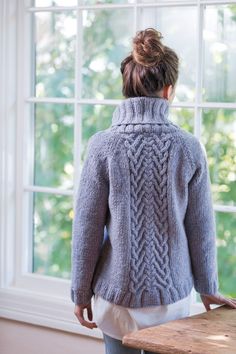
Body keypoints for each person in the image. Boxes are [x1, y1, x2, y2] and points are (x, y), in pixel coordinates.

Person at [70, 28, 236, 354]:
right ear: (169, 90)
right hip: (171, 300)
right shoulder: (189, 148)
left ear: (127, 88)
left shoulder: (103, 145)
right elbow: (201, 227)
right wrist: (208, 288)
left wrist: (80, 292)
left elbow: (86, 227)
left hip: (116, 299)